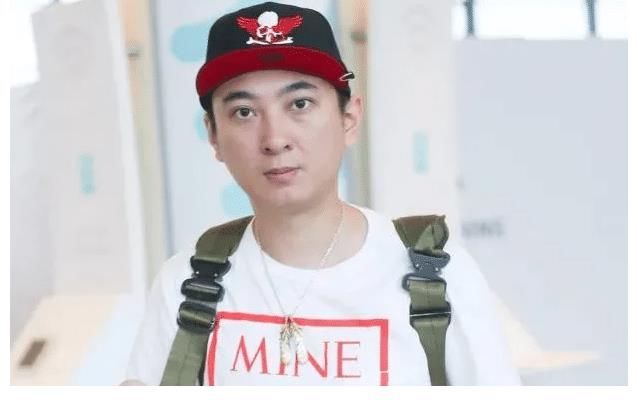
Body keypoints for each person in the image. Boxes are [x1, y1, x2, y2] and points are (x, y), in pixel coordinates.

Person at [124, 1, 520, 386]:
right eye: (244, 112)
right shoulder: (185, 284)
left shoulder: (437, 277)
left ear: (349, 118)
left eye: (300, 104)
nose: (275, 138)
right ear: (213, 135)